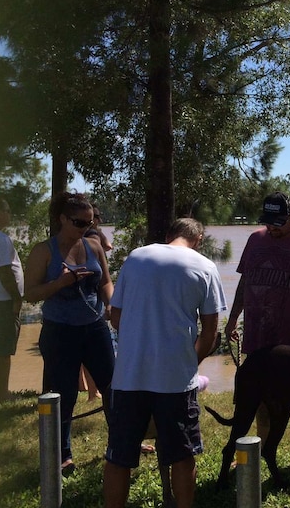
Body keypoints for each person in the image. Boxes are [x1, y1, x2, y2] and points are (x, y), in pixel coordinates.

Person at [103, 218, 225, 508]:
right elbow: (210, 332)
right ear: (198, 240)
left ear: (168, 234)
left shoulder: (136, 258)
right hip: (175, 381)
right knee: (182, 455)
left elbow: (116, 317)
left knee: (118, 456)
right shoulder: (205, 266)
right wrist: (189, 363)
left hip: (129, 376)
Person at [225, 191, 290, 481]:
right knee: (260, 399)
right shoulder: (256, 240)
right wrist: (233, 317)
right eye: (269, 222)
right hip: (259, 335)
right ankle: (259, 451)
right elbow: (245, 280)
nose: (273, 228)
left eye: (279, 223)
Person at [23, 192, 114, 475]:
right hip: (60, 331)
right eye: (78, 222)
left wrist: (112, 307)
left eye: (88, 223)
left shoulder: (93, 245)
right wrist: (61, 282)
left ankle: (122, 444)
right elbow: (30, 294)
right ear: (62, 219)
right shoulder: (43, 251)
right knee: (63, 395)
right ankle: (62, 454)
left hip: (95, 328)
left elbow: (106, 282)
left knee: (113, 389)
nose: (84, 229)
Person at [0, 198, 23, 402]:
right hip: (3, 302)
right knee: (3, 350)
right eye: (6, 210)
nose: (9, 214)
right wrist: (17, 298)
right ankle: (2, 394)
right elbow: (5, 273)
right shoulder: (1, 239)